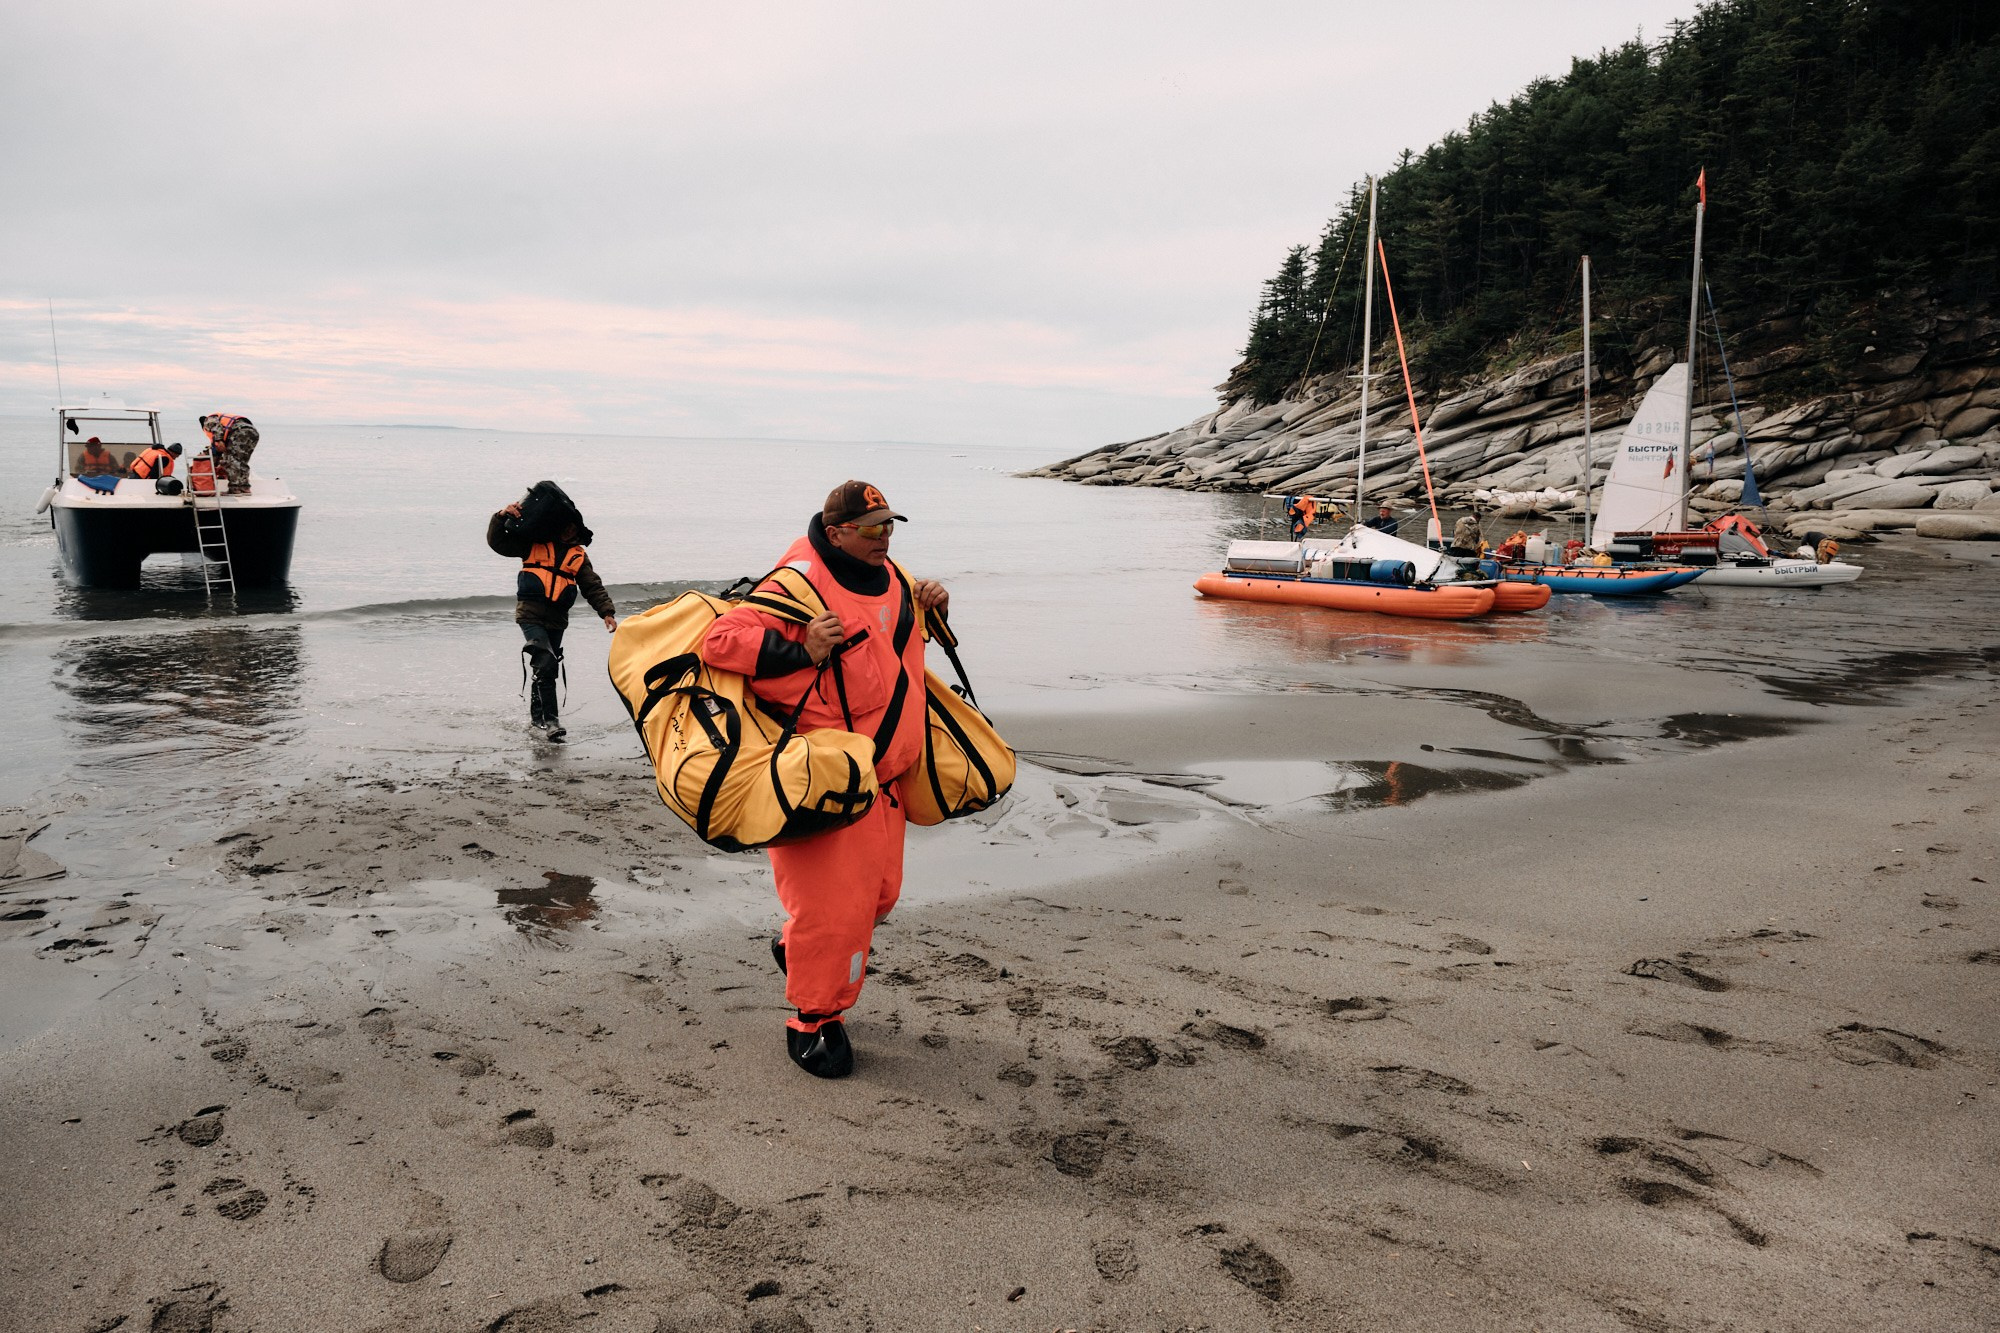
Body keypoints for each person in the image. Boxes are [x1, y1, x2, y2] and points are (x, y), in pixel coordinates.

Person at [700, 480, 948, 1080]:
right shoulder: (797, 581)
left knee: (877, 899)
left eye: (890, 525)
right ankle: (812, 1020)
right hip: (826, 783)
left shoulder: (889, 575)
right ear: (836, 532)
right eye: (872, 528)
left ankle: (800, 954)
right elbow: (717, 640)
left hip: (884, 776)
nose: (884, 536)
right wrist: (803, 651)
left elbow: (895, 647)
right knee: (833, 914)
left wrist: (934, 606)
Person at [485, 493, 616, 741]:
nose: (569, 532)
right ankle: (552, 722)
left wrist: (606, 612)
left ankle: (537, 721)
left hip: (557, 619)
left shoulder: (578, 556)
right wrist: (501, 516)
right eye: (565, 527)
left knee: (546, 668)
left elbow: (592, 586)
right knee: (546, 662)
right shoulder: (533, 544)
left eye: (573, 529)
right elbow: (497, 542)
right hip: (530, 616)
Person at [198, 413, 261, 495]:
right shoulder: (222, 420)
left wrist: (218, 440)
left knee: (230, 460)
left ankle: (234, 489)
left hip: (239, 431)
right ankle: (245, 488)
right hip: (252, 432)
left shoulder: (208, 420)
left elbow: (216, 428)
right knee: (242, 461)